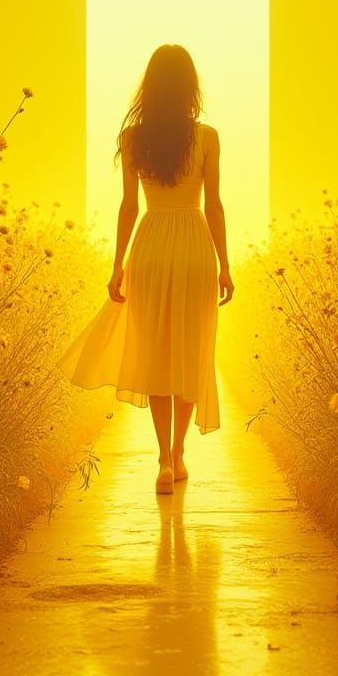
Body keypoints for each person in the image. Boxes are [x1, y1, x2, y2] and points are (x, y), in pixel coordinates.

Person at [55, 44, 235, 494]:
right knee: (191, 351)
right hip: (195, 248)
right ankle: (178, 453)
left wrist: (117, 266)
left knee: (157, 352)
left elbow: (128, 208)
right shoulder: (208, 137)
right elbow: (213, 206)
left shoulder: (133, 139)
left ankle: (162, 461)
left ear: (149, 87)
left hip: (151, 246)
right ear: (190, 86)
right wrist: (225, 266)